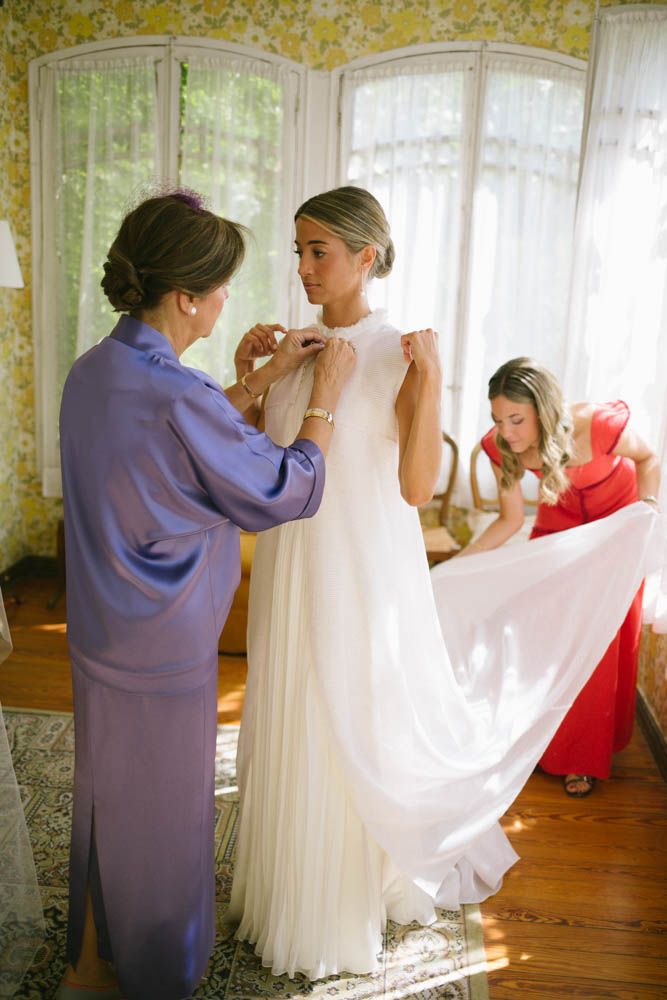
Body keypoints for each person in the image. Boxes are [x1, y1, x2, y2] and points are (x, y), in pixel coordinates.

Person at [226, 185, 660, 980]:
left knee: (346, 711)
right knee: (291, 699)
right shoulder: (294, 340)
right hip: (293, 555)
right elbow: (259, 461)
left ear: (366, 255)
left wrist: (426, 383)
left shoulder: (400, 350)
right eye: (297, 250)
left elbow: (416, 487)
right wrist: (251, 372)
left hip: (357, 561)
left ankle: (336, 895)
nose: (303, 266)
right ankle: (285, 879)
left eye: (317, 250)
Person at [56, 189, 356, 1000]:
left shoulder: (96, 371)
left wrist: (263, 378)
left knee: (104, 789)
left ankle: (89, 957)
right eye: (222, 284)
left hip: (98, 625)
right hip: (164, 637)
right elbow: (284, 486)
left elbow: (172, 439)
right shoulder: (177, 395)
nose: (229, 297)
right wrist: (322, 392)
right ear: (188, 297)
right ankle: (157, 969)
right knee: (162, 805)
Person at [468, 357, 660, 797]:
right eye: (498, 418)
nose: (507, 431)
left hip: (618, 536)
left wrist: (648, 510)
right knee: (540, 635)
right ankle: (539, 739)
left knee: (601, 647)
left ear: (544, 410)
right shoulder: (500, 446)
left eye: (516, 419)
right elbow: (509, 520)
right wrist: (463, 563)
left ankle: (582, 758)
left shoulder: (596, 425)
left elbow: (649, 457)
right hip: (557, 534)